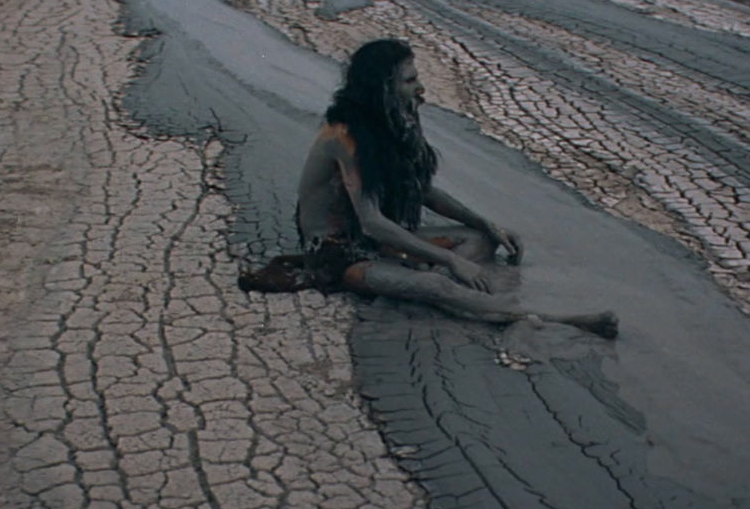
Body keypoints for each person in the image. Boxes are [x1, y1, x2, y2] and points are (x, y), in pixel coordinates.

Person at [240, 38, 617, 338]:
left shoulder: (392, 122)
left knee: (481, 242)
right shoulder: (346, 135)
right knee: (441, 287)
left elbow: (421, 190)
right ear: (381, 88)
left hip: (378, 242)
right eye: (409, 81)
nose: (421, 89)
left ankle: (429, 282)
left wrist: (487, 224)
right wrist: (450, 261)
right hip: (340, 255)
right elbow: (371, 221)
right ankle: (558, 319)